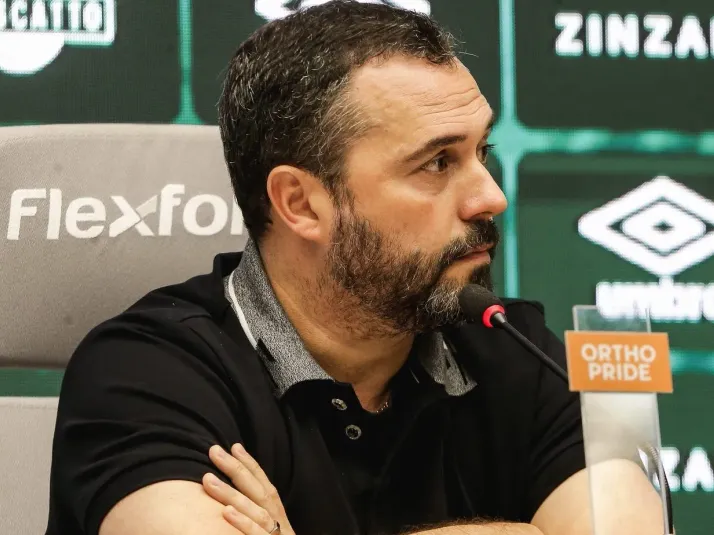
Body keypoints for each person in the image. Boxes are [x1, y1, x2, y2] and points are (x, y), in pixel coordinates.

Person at [45, 2, 663, 535]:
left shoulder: (518, 353)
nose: (491, 197)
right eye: (437, 163)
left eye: (482, 151)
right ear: (301, 204)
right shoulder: (146, 373)